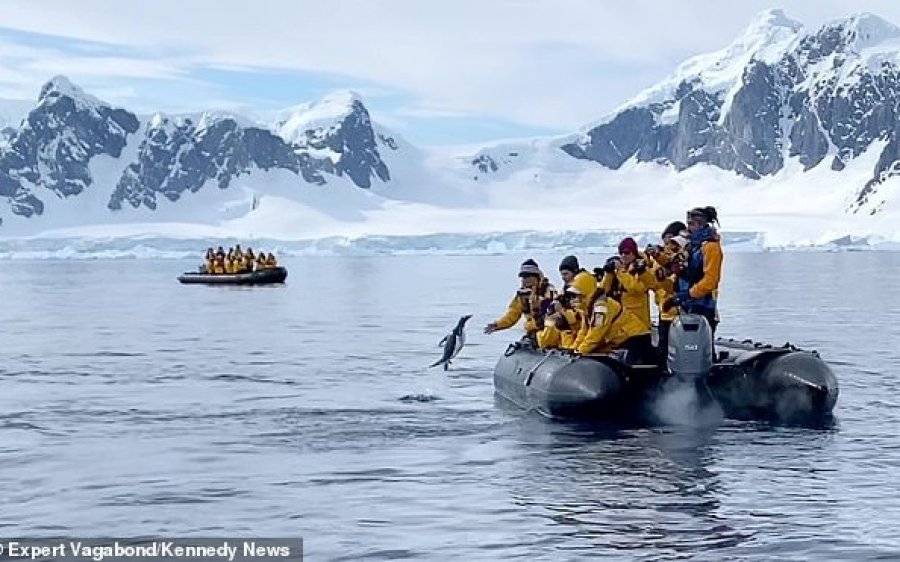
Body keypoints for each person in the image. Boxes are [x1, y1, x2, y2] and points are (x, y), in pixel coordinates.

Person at [668, 206, 724, 335]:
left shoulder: (711, 247)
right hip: (688, 305)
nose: (688, 228)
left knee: (702, 345)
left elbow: (711, 280)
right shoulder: (692, 246)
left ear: (701, 224)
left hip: (703, 306)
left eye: (691, 224)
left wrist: (689, 293)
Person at [484, 259, 557, 344]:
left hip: (548, 333)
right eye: (523, 277)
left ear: (536, 277)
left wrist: (536, 304)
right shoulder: (522, 294)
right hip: (533, 333)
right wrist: (497, 325)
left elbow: (551, 314)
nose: (524, 280)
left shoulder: (549, 291)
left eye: (527, 276)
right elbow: (512, 315)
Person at [575, 288, 654, 365]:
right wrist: (575, 348)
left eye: (576, 295)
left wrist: (580, 351)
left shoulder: (601, 308)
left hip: (634, 338)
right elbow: (585, 332)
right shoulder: (588, 309)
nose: (574, 299)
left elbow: (596, 334)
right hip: (623, 340)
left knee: (632, 373)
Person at [537, 285, 584, 350]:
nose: (573, 301)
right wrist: (551, 320)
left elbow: (571, 346)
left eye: (574, 297)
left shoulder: (582, 314)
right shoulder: (557, 314)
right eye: (569, 297)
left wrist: (566, 317)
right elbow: (544, 343)